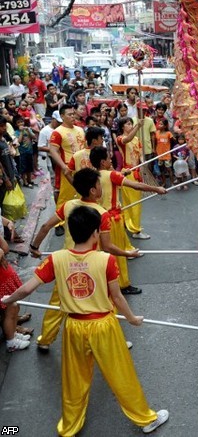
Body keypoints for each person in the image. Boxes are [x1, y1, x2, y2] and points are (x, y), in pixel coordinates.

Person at [3, 206, 169, 436]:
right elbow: (117, 297)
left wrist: (8, 298)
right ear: (95, 233)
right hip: (103, 326)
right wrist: (132, 319)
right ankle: (144, 418)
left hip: (73, 326)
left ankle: (70, 426)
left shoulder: (57, 259)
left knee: (74, 379)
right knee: (121, 374)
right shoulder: (106, 260)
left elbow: (26, 289)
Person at [29, 168, 143, 351]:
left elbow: (45, 225)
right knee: (106, 305)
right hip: (94, 267)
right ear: (92, 190)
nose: (101, 188)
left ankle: (45, 340)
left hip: (66, 264)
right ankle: (113, 341)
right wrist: (128, 253)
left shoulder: (67, 206)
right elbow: (107, 247)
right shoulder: (101, 213)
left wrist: (34, 247)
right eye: (99, 185)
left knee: (57, 304)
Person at [90, 146, 166, 295]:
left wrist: (122, 173)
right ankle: (123, 284)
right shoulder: (111, 175)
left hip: (97, 218)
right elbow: (136, 185)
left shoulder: (92, 175)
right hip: (112, 220)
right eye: (108, 158)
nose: (110, 160)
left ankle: (103, 282)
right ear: (102, 161)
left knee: (102, 252)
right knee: (119, 253)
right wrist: (157, 189)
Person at [49, 104, 86, 235]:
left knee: (82, 193)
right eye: (69, 114)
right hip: (68, 168)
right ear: (62, 116)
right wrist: (63, 167)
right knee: (65, 196)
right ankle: (58, 222)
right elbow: (53, 150)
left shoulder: (80, 130)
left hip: (82, 166)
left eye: (73, 114)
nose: (72, 117)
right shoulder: (58, 132)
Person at [0, 215, 31, 352]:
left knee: (12, 308)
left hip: (4, 274)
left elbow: (4, 249)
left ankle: (12, 333)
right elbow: (4, 249)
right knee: (10, 307)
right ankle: (11, 341)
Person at [116, 118, 150, 239]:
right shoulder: (120, 138)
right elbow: (127, 139)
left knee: (132, 202)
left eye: (131, 123)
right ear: (122, 127)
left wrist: (143, 164)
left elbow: (140, 154)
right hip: (127, 172)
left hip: (136, 171)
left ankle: (129, 224)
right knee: (133, 203)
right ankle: (136, 230)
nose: (131, 126)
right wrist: (138, 126)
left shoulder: (137, 139)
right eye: (128, 124)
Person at [13, 116, 36, 188]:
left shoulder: (28, 129)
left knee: (30, 167)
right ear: (16, 124)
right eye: (18, 122)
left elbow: (34, 137)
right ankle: (25, 182)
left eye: (21, 122)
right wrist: (21, 132)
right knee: (23, 168)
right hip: (22, 152)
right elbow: (19, 141)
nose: (21, 124)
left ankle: (29, 180)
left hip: (29, 151)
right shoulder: (16, 132)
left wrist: (28, 130)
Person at [154, 119, 174, 187]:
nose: (159, 125)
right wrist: (155, 150)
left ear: (165, 126)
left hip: (167, 155)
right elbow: (155, 142)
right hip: (159, 154)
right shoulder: (157, 133)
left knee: (169, 169)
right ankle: (164, 182)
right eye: (159, 124)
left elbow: (173, 140)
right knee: (161, 169)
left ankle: (172, 183)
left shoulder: (168, 133)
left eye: (161, 124)